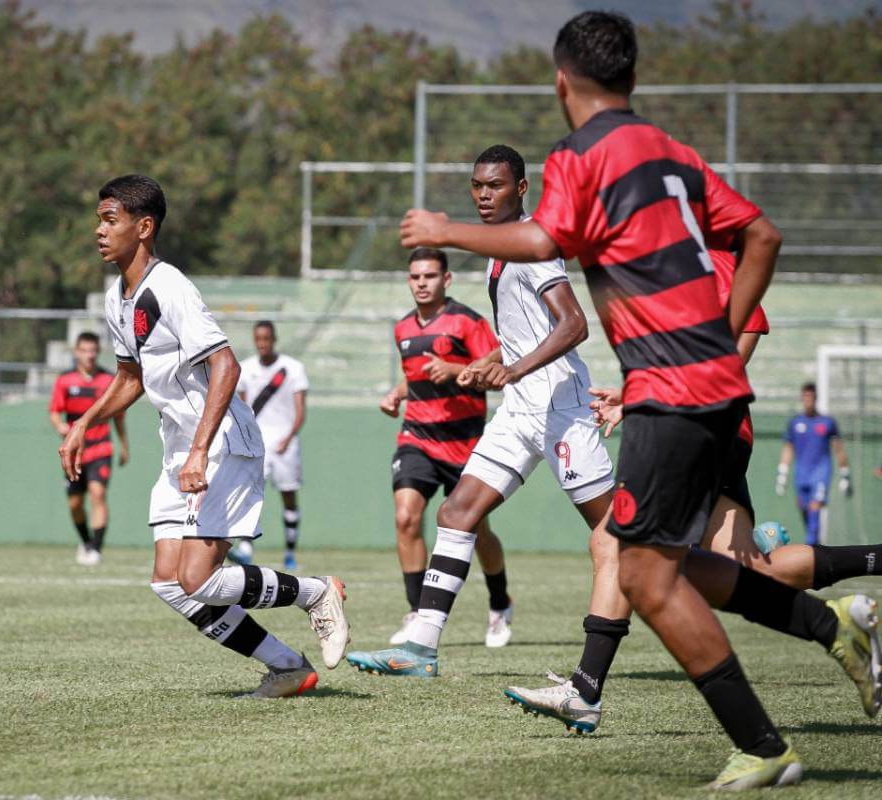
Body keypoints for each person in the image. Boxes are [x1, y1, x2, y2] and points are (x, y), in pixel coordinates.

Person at [398, 11, 879, 788]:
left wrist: (443, 228)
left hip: (675, 388)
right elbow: (764, 237)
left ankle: (764, 745)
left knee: (641, 573)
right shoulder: (672, 151)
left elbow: (545, 240)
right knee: (670, 562)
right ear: (632, 77)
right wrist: (718, 338)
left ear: (563, 81)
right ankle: (836, 625)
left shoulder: (582, 154)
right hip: (710, 386)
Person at [506, 246, 882, 735]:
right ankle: (846, 606)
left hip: (695, 430)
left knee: (616, 544)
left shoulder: (701, 248)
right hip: (696, 427)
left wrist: (696, 396)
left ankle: (586, 690)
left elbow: (746, 325)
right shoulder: (666, 251)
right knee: (747, 566)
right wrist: (635, 395)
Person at [59, 174, 350, 698]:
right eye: (98, 219)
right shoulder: (117, 299)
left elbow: (225, 366)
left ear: (143, 227)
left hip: (218, 445)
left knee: (198, 578)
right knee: (171, 584)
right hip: (181, 452)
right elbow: (130, 379)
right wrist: (85, 423)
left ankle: (315, 592)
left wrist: (198, 451)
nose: (98, 230)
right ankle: (286, 666)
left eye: (110, 220)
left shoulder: (169, 287)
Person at [345, 144, 622, 681]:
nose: (483, 195)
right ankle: (420, 648)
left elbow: (573, 326)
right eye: (477, 186)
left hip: (561, 407)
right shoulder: (500, 250)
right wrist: (487, 363)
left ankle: (725, 559)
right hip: (520, 411)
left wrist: (514, 371)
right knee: (457, 513)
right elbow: (526, 336)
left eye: (494, 186)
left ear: (521, 188)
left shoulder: (534, 247)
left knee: (614, 534)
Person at [379, 248, 513, 647]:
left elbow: (500, 374)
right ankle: (418, 613)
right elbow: (417, 377)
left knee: (478, 531)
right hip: (416, 437)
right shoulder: (402, 327)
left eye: (430, 276)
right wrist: (398, 393)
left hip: (466, 445)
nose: (422, 283)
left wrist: (457, 371)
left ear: (446, 279)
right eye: (415, 277)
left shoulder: (468, 322)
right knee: (406, 518)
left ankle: (499, 603)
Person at [232, 321, 308, 570]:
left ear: (274, 339)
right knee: (251, 494)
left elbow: (300, 410)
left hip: (285, 444)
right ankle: (246, 548)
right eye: (259, 339)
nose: (263, 344)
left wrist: (288, 437)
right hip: (258, 443)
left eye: (267, 338)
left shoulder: (293, 368)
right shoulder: (245, 368)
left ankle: (290, 551)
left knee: (288, 496)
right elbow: (243, 409)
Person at [49, 332, 129, 565]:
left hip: (101, 446)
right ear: (77, 352)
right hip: (74, 451)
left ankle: (96, 548)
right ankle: (85, 540)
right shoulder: (65, 380)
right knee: (75, 503)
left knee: (98, 493)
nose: (90, 355)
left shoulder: (108, 381)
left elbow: (119, 417)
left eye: (93, 350)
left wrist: (124, 446)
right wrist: (59, 426)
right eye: (85, 350)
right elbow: (54, 411)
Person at [777, 383, 852, 545]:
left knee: (815, 506)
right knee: (804, 508)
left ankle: (812, 551)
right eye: (805, 397)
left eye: (811, 397)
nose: (808, 400)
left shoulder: (827, 422)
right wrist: (782, 473)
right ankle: (815, 544)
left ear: (816, 398)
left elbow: (838, 449)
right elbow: (788, 448)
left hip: (821, 471)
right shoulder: (795, 423)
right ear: (801, 398)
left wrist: (845, 474)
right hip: (801, 473)